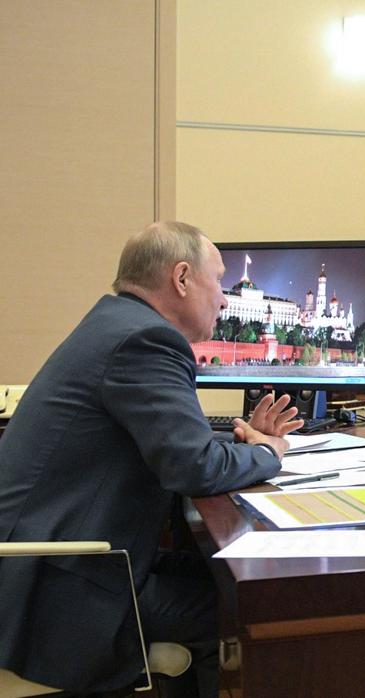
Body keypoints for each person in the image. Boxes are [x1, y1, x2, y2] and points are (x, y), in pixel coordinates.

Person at [0, 222, 303, 697]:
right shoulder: (145, 340)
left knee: (215, 575)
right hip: (52, 594)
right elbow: (195, 467)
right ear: (182, 278)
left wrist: (243, 448)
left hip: (55, 562)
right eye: (218, 282)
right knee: (256, 606)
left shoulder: (116, 324)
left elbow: (182, 445)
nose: (224, 300)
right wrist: (268, 452)